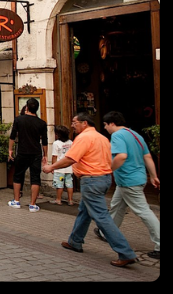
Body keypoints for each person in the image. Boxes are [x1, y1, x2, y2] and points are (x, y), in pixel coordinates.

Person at [42, 113, 138, 268]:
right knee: (84, 211)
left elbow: (70, 158)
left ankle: (125, 252)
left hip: (92, 180)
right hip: (103, 178)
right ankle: (75, 241)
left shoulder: (84, 138)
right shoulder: (102, 138)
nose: (72, 125)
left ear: (84, 123)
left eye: (74, 122)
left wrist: (51, 167)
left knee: (101, 217)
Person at [93, 111, 160, 260]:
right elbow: (147, 156)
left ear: (112, 123)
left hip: (128, 180)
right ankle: (106, 232)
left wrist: (108, 170)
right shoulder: (135, 135)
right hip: (136, 178)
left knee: (144, 212)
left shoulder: (117, 136)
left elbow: (121, 156)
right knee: (117, 206)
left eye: (105, 125)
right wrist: (154, 176)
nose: (105, 128)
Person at [7, 98, 47, 212]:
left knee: (18, 175)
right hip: (36, 152)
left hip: (22, 151)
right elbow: (44, 141)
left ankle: (16, 200)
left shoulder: (19, 120)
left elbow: (12, 136)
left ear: (27, 107)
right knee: (35, 177)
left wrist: (10, 150)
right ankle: (33, 204)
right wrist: (45, 155)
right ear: (37, 109)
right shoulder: (42, 123)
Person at [49, 125, 74, 205]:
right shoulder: (71, 143)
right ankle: (70, 200)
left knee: (59, 184)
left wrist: (53, 167)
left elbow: (54, 156)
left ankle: (58, 199)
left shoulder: (56, 143)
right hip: (69, 167)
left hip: (59, 167)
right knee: (69, 184)